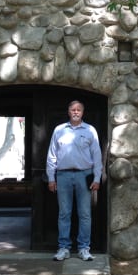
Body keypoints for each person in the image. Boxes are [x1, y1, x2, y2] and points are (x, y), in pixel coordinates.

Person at [46, 100, 102, 261]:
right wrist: (51, 178)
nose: (76, 112)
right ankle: (64, 248)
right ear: (68, 112)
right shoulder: (59, 130)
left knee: (85, 214)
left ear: (82, 112)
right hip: (62, 176)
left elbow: (97, 156)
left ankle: (84, 248)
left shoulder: (90, 130)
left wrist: (97, 178)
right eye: (73, 109)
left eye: (78, 110)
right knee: (64, 213)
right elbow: (52, 155)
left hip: (84, 175)